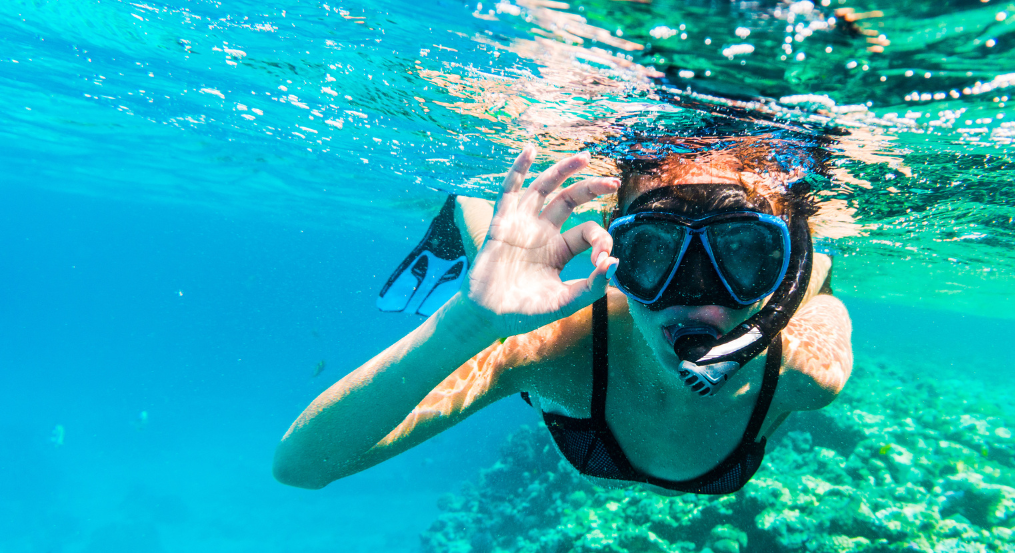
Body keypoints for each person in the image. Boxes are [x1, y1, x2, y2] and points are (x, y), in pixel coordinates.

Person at [273, 137, 853, 495]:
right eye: (653, 253)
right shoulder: (551, 346)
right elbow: (302, 467)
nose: (699, 298)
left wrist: (812, 279)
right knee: (509, 262)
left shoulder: (805, 368)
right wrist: (469, 323)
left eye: (746, 257)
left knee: (820, 278)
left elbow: (817, 301)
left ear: (784, 270)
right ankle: (466, 215)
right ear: (615, 252)